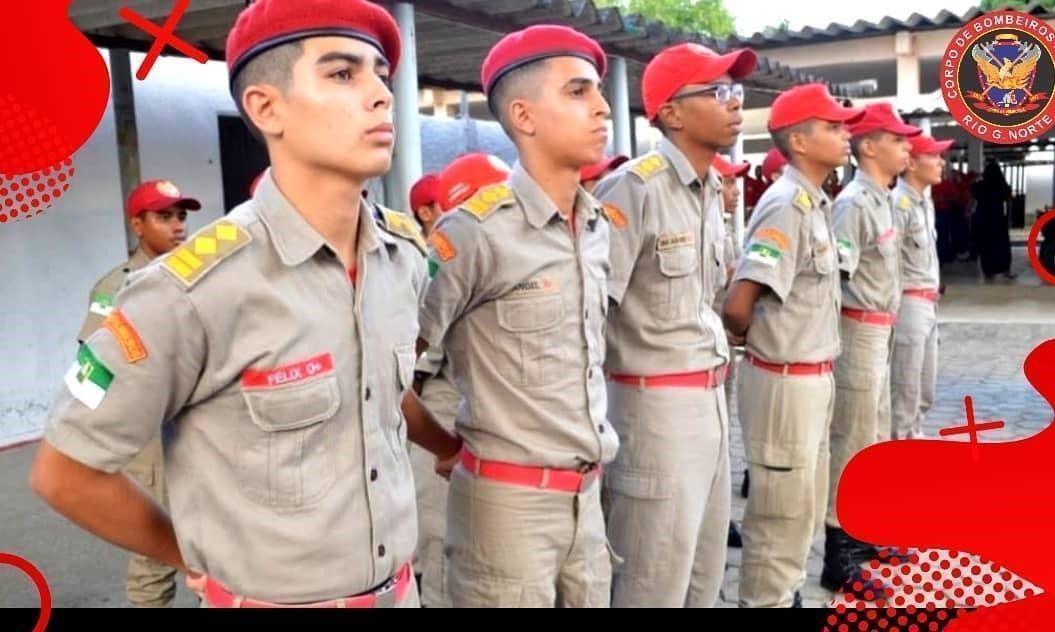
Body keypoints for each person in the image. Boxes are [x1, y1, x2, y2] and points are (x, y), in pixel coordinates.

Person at [29, 0, 461, 609]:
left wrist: (446, 445)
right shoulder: (192, 290)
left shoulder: (402, 260)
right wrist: (188, 555)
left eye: (380, 76)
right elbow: (65, 472)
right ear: (266, 107)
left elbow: (384, 394)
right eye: (343, 74)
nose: (380, 95)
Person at [417, 24, 618, 607]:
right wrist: (442, 446)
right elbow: (393, 363)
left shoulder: (596, 225)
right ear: (524, 117)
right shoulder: (474, 233)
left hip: (585, 501)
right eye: (579, 92)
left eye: (599, 91)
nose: (602, 107)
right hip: (507, 510)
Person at [592, 43, 756, 607]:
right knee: (651, 578)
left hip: (708, 404)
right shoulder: (633, 189)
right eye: (718, 92)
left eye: (736, 92)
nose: (735, 105)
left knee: (703, 574)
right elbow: (592, 313)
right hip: (653, 413)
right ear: (672, 112)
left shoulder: (711, 190)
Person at [722, 83, 865, 608]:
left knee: (800, 511)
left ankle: (784, 596)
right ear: (799, 141)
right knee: (779, 518)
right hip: (785, 382)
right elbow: (739, 303)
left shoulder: (814, 202)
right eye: (832, 127)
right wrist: (757, 343)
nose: (845, 134)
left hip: (809, 379)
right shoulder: (785, 204)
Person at [75, 179, 200, 608]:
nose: (178, 226)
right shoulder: (115, 289)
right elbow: (90, 375)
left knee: (218, 552)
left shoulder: (201, 278)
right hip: (152, 442)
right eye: (164, 216)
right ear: (137, 225)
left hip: (204, 433)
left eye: (181, 216)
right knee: (155, 560)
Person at [822, 102, 919, 594]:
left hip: (882, 328)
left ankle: (866, 532)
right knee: (852, 439)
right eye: (897, 139)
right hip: (857, 330)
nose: (907, 146)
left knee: (874, 438)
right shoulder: (853, 203)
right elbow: (835, 279)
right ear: (869, 146)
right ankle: (838, 550)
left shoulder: (884, 199)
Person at [409, 151, 510, 608]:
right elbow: (403, 361)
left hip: (493, 423)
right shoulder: (436, 260)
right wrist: (443, 445)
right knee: (442, 543)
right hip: (442, 409)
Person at [890, 134, 952, 440]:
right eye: (934, 156)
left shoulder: (923, 202)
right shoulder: (897, 204)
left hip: (928, 305)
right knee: (905, 387)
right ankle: (900, 450)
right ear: (912, 163)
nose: (941, 162)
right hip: (908, 305)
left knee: (924, 388)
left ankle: (914, 437)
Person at [712, 152, 751, 549]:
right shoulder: (703, 227)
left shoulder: (723, 229)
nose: (735, 191)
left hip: (723, 347)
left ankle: (720, 515)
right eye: (726, 182)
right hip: (706, 351)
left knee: (723, 435)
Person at [972, 161, 1017, 280]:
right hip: (998, 219)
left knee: (986, 245)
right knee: (1001, 245)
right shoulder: (1002, 185)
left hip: (983, 219)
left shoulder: (980, 186)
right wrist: (1009, 219)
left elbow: (972, 191)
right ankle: (1005, 270)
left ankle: (988, 271)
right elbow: (1008, 201)